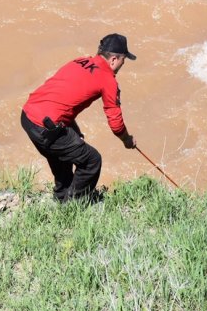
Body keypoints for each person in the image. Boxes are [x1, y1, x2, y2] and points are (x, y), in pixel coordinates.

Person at [21, 33, 137, 203]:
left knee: (62, 157)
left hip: (28, 115)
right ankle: (75, 207)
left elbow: (62, 99)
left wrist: (75, 132)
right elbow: (116, 124)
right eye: (123, 60)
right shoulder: (108, 80)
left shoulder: (79, 61)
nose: (122, 64)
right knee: (92, 160)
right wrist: (127, 140)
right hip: (45, 126)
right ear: (113, 59)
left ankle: (62, 199)